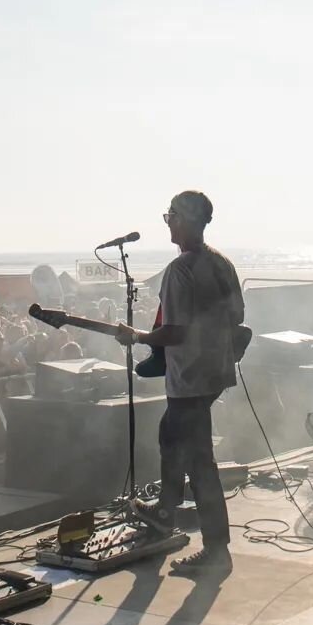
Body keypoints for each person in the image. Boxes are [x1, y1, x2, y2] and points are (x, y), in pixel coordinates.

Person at [116, 190, 244, 576]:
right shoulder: (222, 263)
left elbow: (173, 331)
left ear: (186, 219)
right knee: (171, 436)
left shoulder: (180, 271)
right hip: (215, 372)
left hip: (189, 376)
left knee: (199, 461)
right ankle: (165, 511)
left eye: (170, 215)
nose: (167, 221)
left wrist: (136, 337)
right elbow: (238, 315)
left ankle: (215, 549)